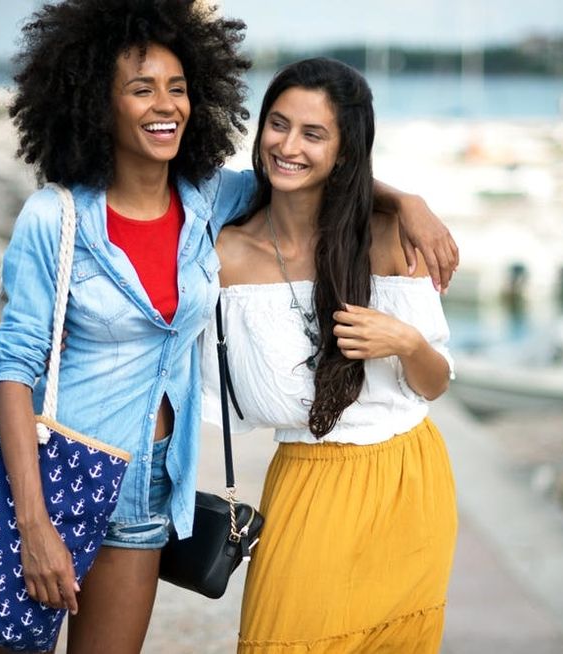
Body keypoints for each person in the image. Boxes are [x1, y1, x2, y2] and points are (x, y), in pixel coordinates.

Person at [0, 1, 458, 652]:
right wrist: (32, 523)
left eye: (179, 88)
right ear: (99, 99)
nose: (166, 104)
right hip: (56, 466)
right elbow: (12, 370)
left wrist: (408, 200)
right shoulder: (55, 218)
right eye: (142, 87)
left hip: (151, 482)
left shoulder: (208, 199)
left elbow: (309, 175)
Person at [203, 58, 458, 652]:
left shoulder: (388, 236)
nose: (288, 145)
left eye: (313, 133)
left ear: (344, 152)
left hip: (409, 479)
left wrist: (407, 341)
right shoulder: (227, 254)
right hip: (308, 482)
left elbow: (436, 382)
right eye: (278, 124)